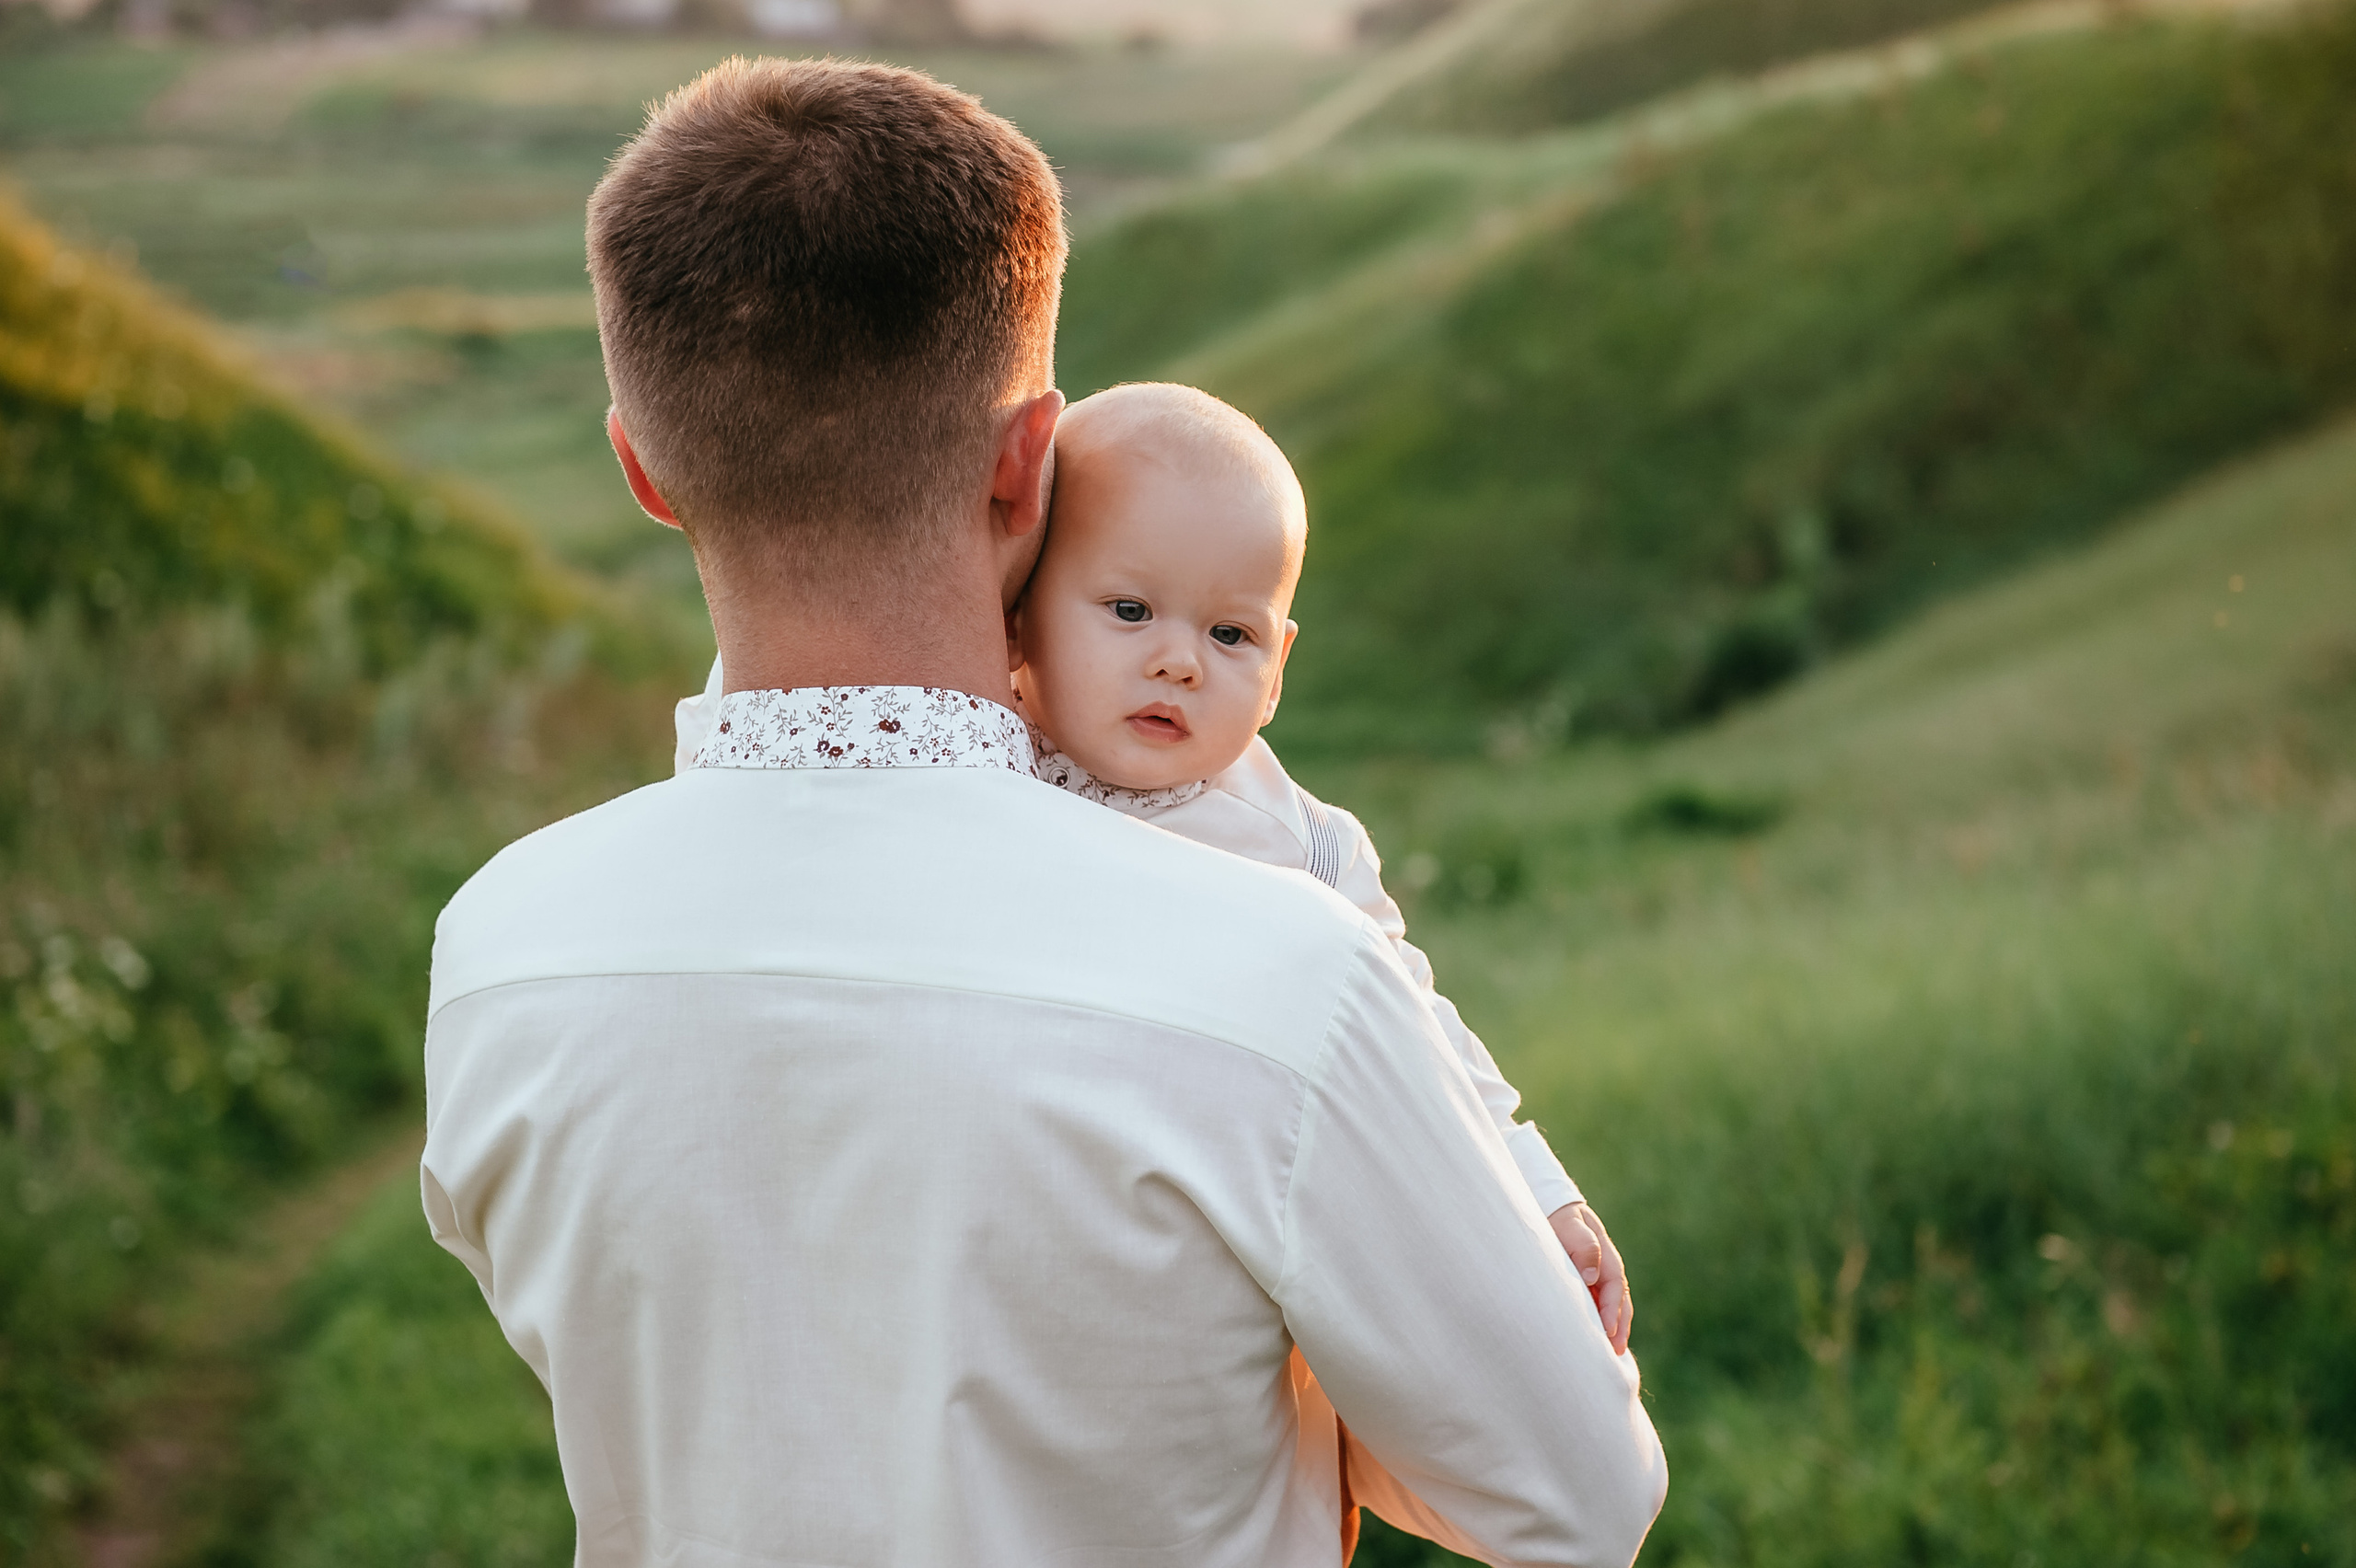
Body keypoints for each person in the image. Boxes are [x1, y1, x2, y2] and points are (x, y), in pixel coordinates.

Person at [421, 55, 1666, 1568]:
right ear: (1027, 460)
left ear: (644, 470)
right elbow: (1575, 1500)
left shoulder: (499, 956)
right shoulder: (1286, 971)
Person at [676, 382, 1636, 1353]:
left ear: (1279, 673)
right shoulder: (985, 756)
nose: (1179, 661)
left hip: (1204, 1235)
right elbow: (780, 739)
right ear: (1017, 620)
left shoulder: (1303, 846)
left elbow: (1421, 1041)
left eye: (1231, 635)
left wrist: (1534, 1189)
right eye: (1129, 611)